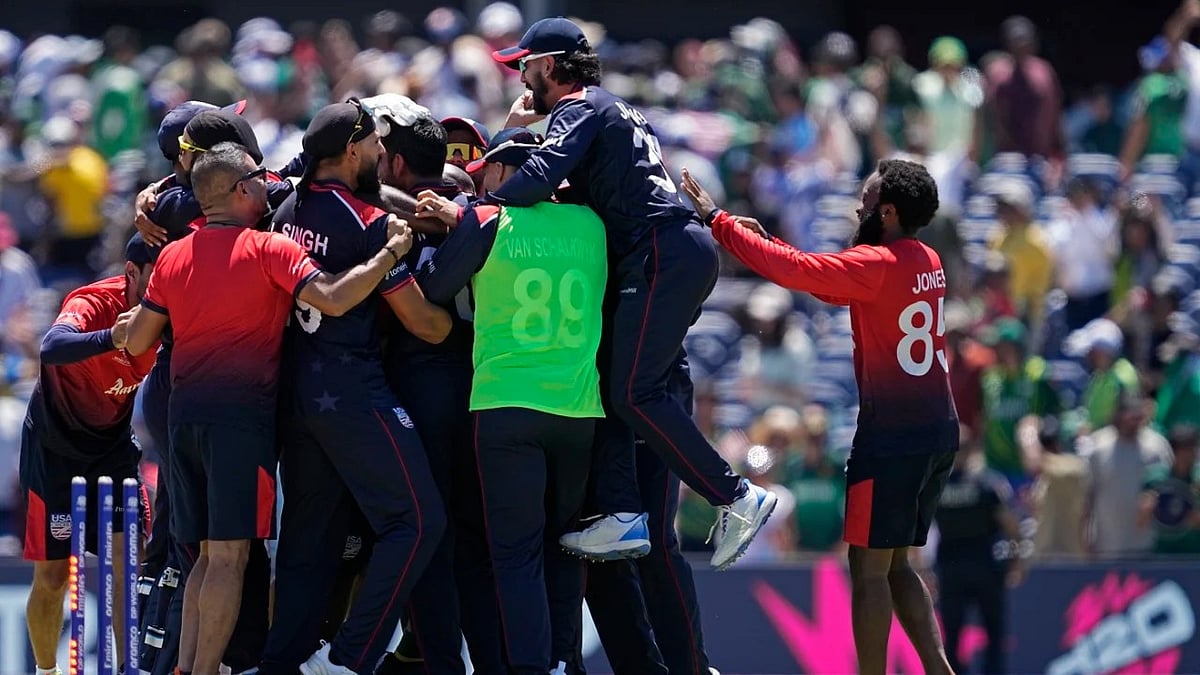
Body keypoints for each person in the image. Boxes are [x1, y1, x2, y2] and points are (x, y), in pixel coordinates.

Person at [477, 15, 776, 569]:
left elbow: (539, 178)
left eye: (526, 65)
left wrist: (478, 202)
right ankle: (621, 512)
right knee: (611, 377)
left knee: (634, 392)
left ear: (549, 64)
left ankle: (735, 495)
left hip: (659, 251)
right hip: (669, 250)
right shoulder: (607, 108)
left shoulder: (580, 106)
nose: (521, 77)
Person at [120, 141, 415, 675]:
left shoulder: (171, 255)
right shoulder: (267, 248)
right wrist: (389, 253)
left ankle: (189, 669)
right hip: (240, 420)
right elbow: (333, 296)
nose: (267, 187)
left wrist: (123, 326)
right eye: (258, 179)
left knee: (205, 559)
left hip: (182, 421)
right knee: (229, 558)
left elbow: (138, 339)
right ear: (240, 190)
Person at [680, 159, 958, 675]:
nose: (859, 206)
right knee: (896, 561)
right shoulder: (928, 258)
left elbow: (806, 276)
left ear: (890, 211)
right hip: (938, 428)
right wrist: (767, 242)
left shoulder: (876, 264)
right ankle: (939, 669)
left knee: (867, 566)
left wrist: (719, 221)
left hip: (893, 434)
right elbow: (827, 281)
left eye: (869, 199)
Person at [262, 101, 447, 675]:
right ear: (351, 151)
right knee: (419, 523)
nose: (379, 156)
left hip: (297, 396)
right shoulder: (370, 225)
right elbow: (424, 323)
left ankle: (284, 663)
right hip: (353, 392)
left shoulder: (283, 207)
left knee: (305, 544)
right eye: (373, 147)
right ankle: (349, 659)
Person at [416, 127, 607, 675]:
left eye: (486, 177)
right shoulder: (590, 223)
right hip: (578, 410)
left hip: (506, 407)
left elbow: (432, 286)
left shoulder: (488, 220)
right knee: (566, 544)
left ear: (501, 170)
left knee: (515, 554)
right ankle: (565, 662)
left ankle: (531, 668)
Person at [361, 94, 492, 675]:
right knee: (474, 536)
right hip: (483, 386)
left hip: (424, 384)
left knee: (425, 531)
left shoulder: (406, 210)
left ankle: (437, 658)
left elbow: (426, 319)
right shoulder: (479, 207)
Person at [20, 233, 156, 675]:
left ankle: (126, 669)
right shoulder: (93, 301)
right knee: (53, 577)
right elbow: (52, 348)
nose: (164, 292)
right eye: (155, 280)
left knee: (126, 566)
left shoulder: (170, 309)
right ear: (131, 274)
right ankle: (47, 671)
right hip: (55, 446)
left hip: (112, 448)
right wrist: (112, 338)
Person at [932, 443, 1024, 675]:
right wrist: (1016, 560)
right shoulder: (987, 484)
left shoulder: (936, 485)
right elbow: (1011, 525)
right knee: (993, 632)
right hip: (986, 565)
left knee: (952, 635)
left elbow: (920, 531)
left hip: (951, 567)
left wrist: (924, 569)